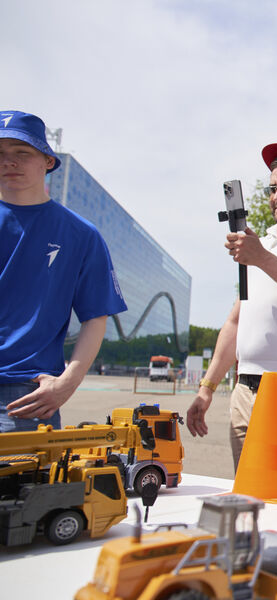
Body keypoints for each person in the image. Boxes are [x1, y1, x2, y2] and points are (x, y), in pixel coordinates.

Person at [186, 143, 277, 489]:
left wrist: (261, 258)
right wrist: (207, 388)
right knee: (249, 494)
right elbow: (237, 321)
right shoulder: (261, 244)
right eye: (273, 189)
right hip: (246, 390)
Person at [0, 110, 127, 432]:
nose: (9, 161)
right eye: (0, 153)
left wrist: (68, 382)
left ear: (48, 160)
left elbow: (95, 316)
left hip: (24, 396)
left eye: (22, 152)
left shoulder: (80, 234)